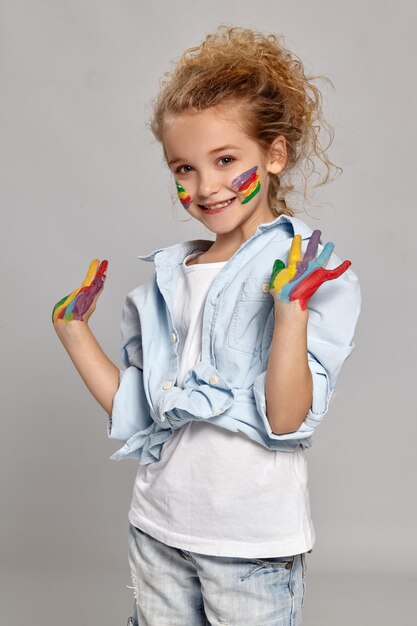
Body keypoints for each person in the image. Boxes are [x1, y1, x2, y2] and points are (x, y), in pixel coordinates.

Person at [52, 26, 361, 626]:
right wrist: (73, 332)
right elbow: (140, 413)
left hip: (251, 543)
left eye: (225, 161)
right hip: (158, 525)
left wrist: (290, 309)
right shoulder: (169, 278)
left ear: (274, 155)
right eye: (184, 168)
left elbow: (287, 417)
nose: (205, 186)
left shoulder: (309, 270)